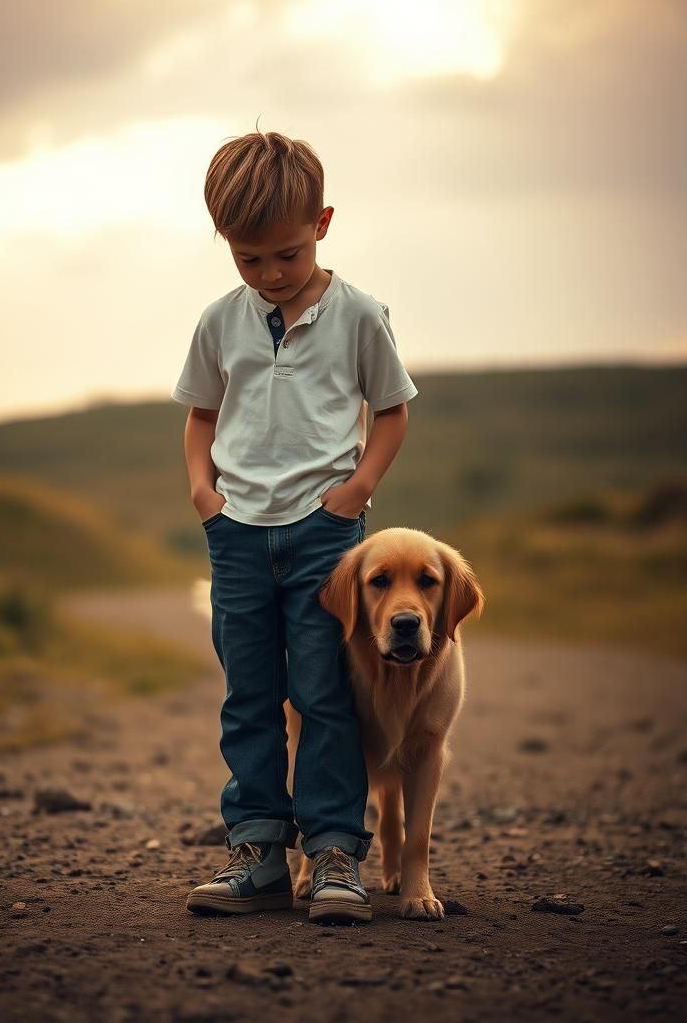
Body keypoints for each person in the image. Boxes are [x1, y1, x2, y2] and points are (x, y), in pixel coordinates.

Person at [171, 129, 418, 925]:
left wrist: (355, 494)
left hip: (324, 536)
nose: (270, 274)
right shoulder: (218, 321)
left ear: (323, 221)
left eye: (285, 253)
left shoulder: (358, 315)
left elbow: (391, 411)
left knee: (323, 693)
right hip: (237, 534)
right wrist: (205, 494)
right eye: (249, 260)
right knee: (249, 695)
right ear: (226, 247)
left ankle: (337, 852)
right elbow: (201, 416)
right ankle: (256, 852)